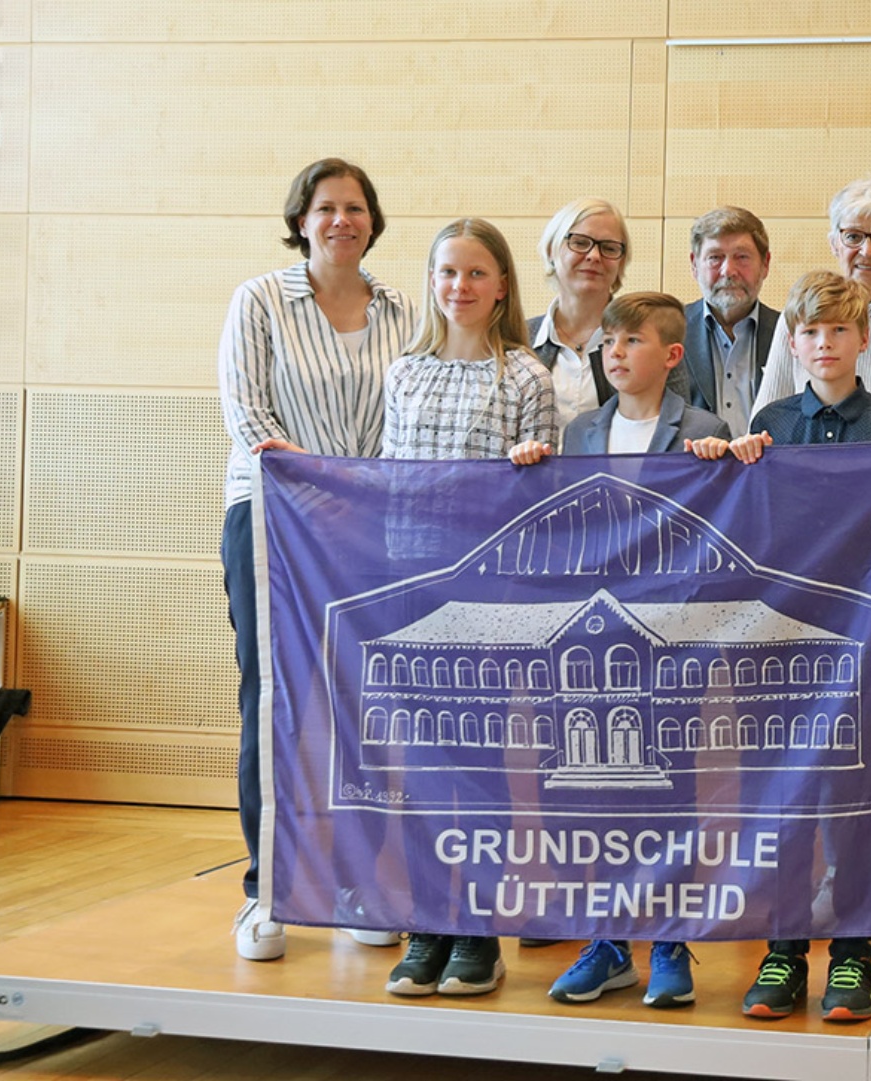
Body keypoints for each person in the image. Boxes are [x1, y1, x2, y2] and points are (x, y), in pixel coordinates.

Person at [690, 270, 871, 1022]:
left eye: (839, 330)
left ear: (864, 339)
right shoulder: (767, 428)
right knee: (786, 799)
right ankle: (782, 947)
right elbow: (743, 532)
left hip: (866, 647)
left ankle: (854, 953)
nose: (824, 344)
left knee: (855, 801)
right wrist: (717, 467)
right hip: (780, 649)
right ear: (792, 344)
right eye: (810, 333)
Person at [218, 157, 415, 961]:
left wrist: (363, 497)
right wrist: (331, 486)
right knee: (276, 700)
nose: (342, 220)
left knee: (365, 700)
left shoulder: (404, 308)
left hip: (373, 530)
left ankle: (359, 882)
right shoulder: (260, 299)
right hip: (272, 518)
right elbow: (250, 414)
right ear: (301, 218)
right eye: (327, 208)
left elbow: (411, 412)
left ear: (373, 220)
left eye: (356, 208)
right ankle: (268, 890)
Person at [509, 291, 725, 1008]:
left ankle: (668, 939)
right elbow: (556, 522)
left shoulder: (703, 427)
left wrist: (721, 462)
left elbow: (712, 529)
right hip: (587, 635)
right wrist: (531, 466)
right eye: (609, 341)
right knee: (587, 797)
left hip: (666, 642)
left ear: (670, 355)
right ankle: (606, 942)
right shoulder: (578, 434)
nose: (615, 352)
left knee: (669, 789)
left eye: (631, 340)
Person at [379, 217, 558, 997]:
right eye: (448, 272)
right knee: (421, 765)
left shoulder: (525, 376)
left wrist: (527, 468)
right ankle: (430, 924)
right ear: (432, 281)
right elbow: (383, 477)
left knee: (481, 763)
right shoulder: (404, 373)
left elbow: (544, 499)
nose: (460, 286)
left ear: (503, 285)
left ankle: (478, 929)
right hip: (414, 590)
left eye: (476, 273)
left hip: (489, 594)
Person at [749, 178, 871, 424]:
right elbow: (764, 426)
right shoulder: (801, 317)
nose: (867, 251)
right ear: (834, 244)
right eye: (853, 237)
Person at [529, 198, 661, 429]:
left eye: (609, 248)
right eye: (580, 243)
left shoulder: (653, 341)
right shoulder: (518, 341)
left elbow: (675, 429)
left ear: (621, 263)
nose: (594, 256)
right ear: (552, 250)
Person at [676, 206, 781, 436]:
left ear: (765, 264)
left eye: (742, 257)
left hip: (769, 470)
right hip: (694, 469)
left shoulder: (790, 333)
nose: (728, 271)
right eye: (715, 258)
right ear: (694, 265)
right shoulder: (669, 332)